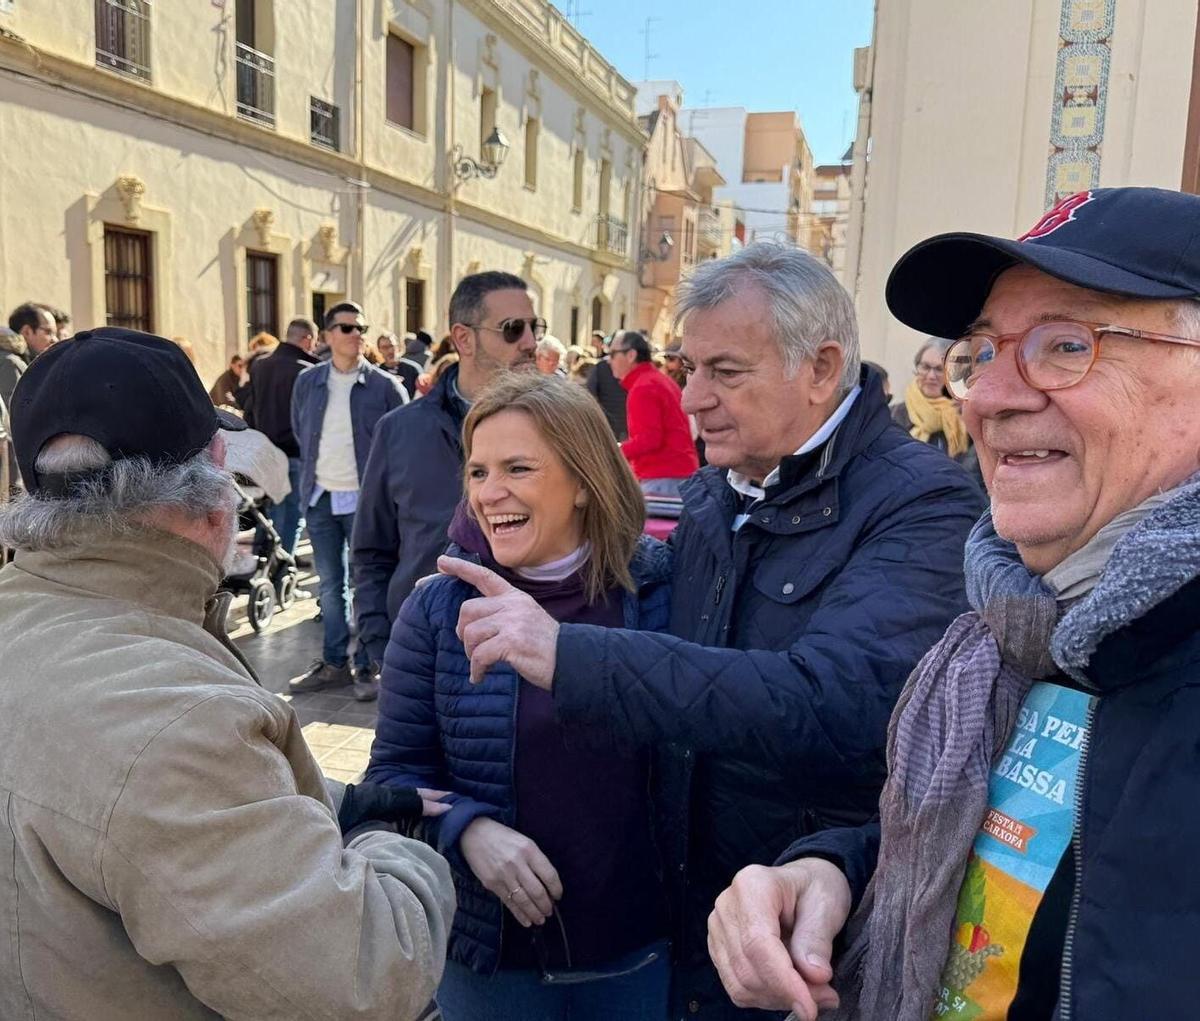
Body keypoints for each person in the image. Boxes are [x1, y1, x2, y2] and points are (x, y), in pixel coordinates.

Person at [436, 241, 984, 1019]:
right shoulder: (711, 494)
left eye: (725, 372)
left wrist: (568, 653)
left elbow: (837, 701)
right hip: (689, 933)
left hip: (807, 948)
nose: (692, 398)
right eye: (687, 367)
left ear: (821, 368)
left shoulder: (920, 506)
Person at [707, 186, 1200, 1021]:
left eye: (1066, 344)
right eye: (982, 352)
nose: (984, 396)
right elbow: (1018, 855)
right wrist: (836, 872)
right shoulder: (1015, 631)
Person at [0, 326, 456, 1020]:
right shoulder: (174, 718)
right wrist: (388, 846)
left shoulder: (34, 622)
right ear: (215, 483)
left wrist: (324, 797)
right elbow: (367, 972)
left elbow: (120, 814)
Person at [370, 373, 673, 1020]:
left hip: (637, 952)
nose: (490, 492)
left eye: (518, 467)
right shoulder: (435, 609)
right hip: (490, 964)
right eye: (477, 472)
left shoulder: (659, 592)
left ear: (585, 479)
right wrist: (467, 827)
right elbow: (392, 777)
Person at [351, 270, 541, 672]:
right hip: (422, 654)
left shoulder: (560, 429)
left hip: (526, 659)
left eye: (534, 327)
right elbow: (371, 549)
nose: (530, 342)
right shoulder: (400, 429)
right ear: (464, 338)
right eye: (513, 329)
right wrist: (380, 642)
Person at [290, 301, 407, 701]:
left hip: (365, 503)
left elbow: (402, 445)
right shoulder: (308, 383)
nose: (356, 334)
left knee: (367, 584)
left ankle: (366, 665)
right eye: (346, 328)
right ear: (327, 336)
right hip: (320, 497)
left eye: (361, 327)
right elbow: (300, 430)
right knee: (329, 586)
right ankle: (334, 661)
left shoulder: (385, 387)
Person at [240, 317, 319, 556]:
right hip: (294, 452)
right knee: (291, 514)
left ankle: (262, 561)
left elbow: (250, 409)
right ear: (306, 339)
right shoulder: (308, 371)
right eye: (314, 342)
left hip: (266, 450)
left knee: (270, 511)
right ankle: (281, 568)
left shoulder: (261, 365)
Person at [608, 330, 699, 497]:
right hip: (676, 474)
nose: (609, 359)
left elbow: (649, 440)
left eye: (612, 353)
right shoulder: (658, 380)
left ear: (631, 355)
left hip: (663, 477)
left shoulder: (644, 386)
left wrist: (612, 452)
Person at [586, 331, 628, 440]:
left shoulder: (600, 367)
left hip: (613, 425)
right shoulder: (601, 367)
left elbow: (590, 395)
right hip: (613, 424)